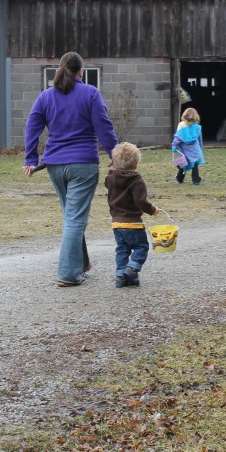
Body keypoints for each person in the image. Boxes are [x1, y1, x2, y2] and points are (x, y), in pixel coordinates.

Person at [23, 52, 118, 287]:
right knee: (75, 218)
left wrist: (30, 157)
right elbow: (103, 126)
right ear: (81, 71)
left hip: (54, 166)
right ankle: (68, 273)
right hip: (82, 166)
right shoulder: (90, 93)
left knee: (71, 216)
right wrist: (115, 155)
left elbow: (32, 125)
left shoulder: (45, 96)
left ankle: (81, 264)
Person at [104, 142, 158, 288]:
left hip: (116, 224)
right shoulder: (136, 180)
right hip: (133, 223)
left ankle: (121, 276)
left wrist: (111, 169)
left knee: (122, 250)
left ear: (114, 163)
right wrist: (153, 210)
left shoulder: (111, 178)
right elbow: (141, 202)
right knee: (141, 247)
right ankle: (132, 268)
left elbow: (108, 179)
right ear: (135, 164)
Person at [172, 107, 205, 185]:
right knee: (195, 164)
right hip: (195, 149)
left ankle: (179, 178)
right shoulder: (197, 127)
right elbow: (199, 139)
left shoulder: (181, 125)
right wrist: (200, 148)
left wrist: (174, 146)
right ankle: (196, 180)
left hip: (185, 149)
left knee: (184, 164)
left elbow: (178, 137)